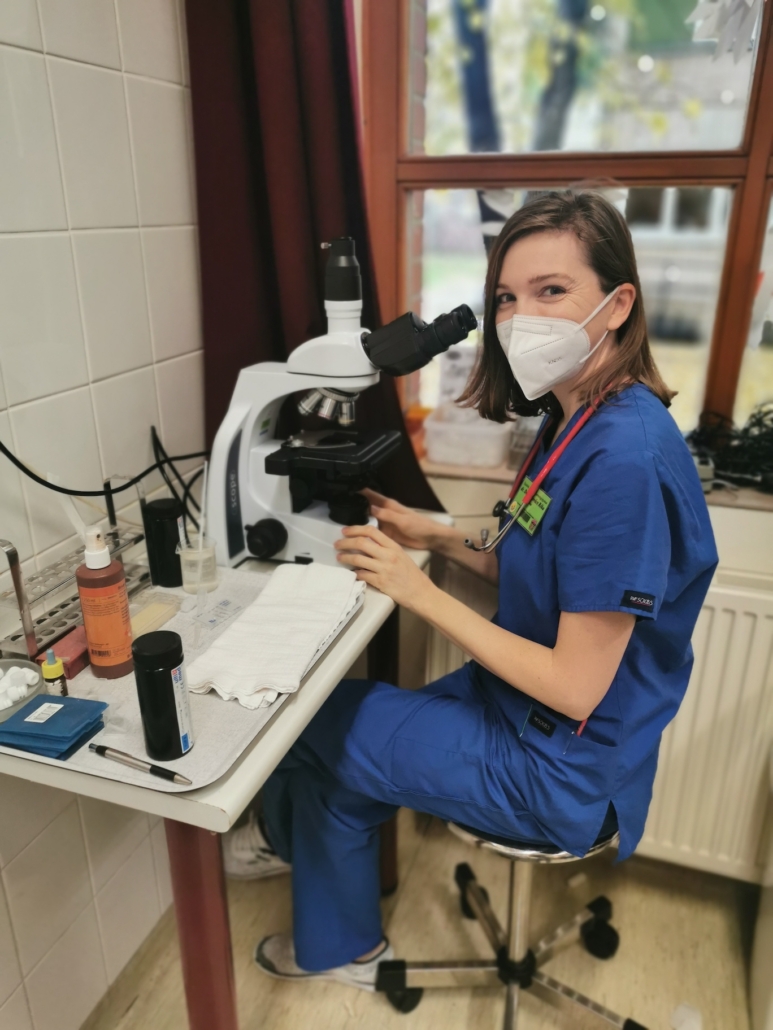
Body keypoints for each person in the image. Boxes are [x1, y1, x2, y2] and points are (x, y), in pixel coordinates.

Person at [224, 190, 718, 991]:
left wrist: (414, 592)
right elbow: (540, 561)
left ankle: (280, 852)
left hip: (556, 762)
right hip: (534, 718)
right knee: (337, 757)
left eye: (551, 291)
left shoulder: (622, 462)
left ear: (618, 303)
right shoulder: (579, 418)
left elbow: (574, 684)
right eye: (506, 298)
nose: (521, 318)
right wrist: (436, 535)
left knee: (305, 722)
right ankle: (341, 939)